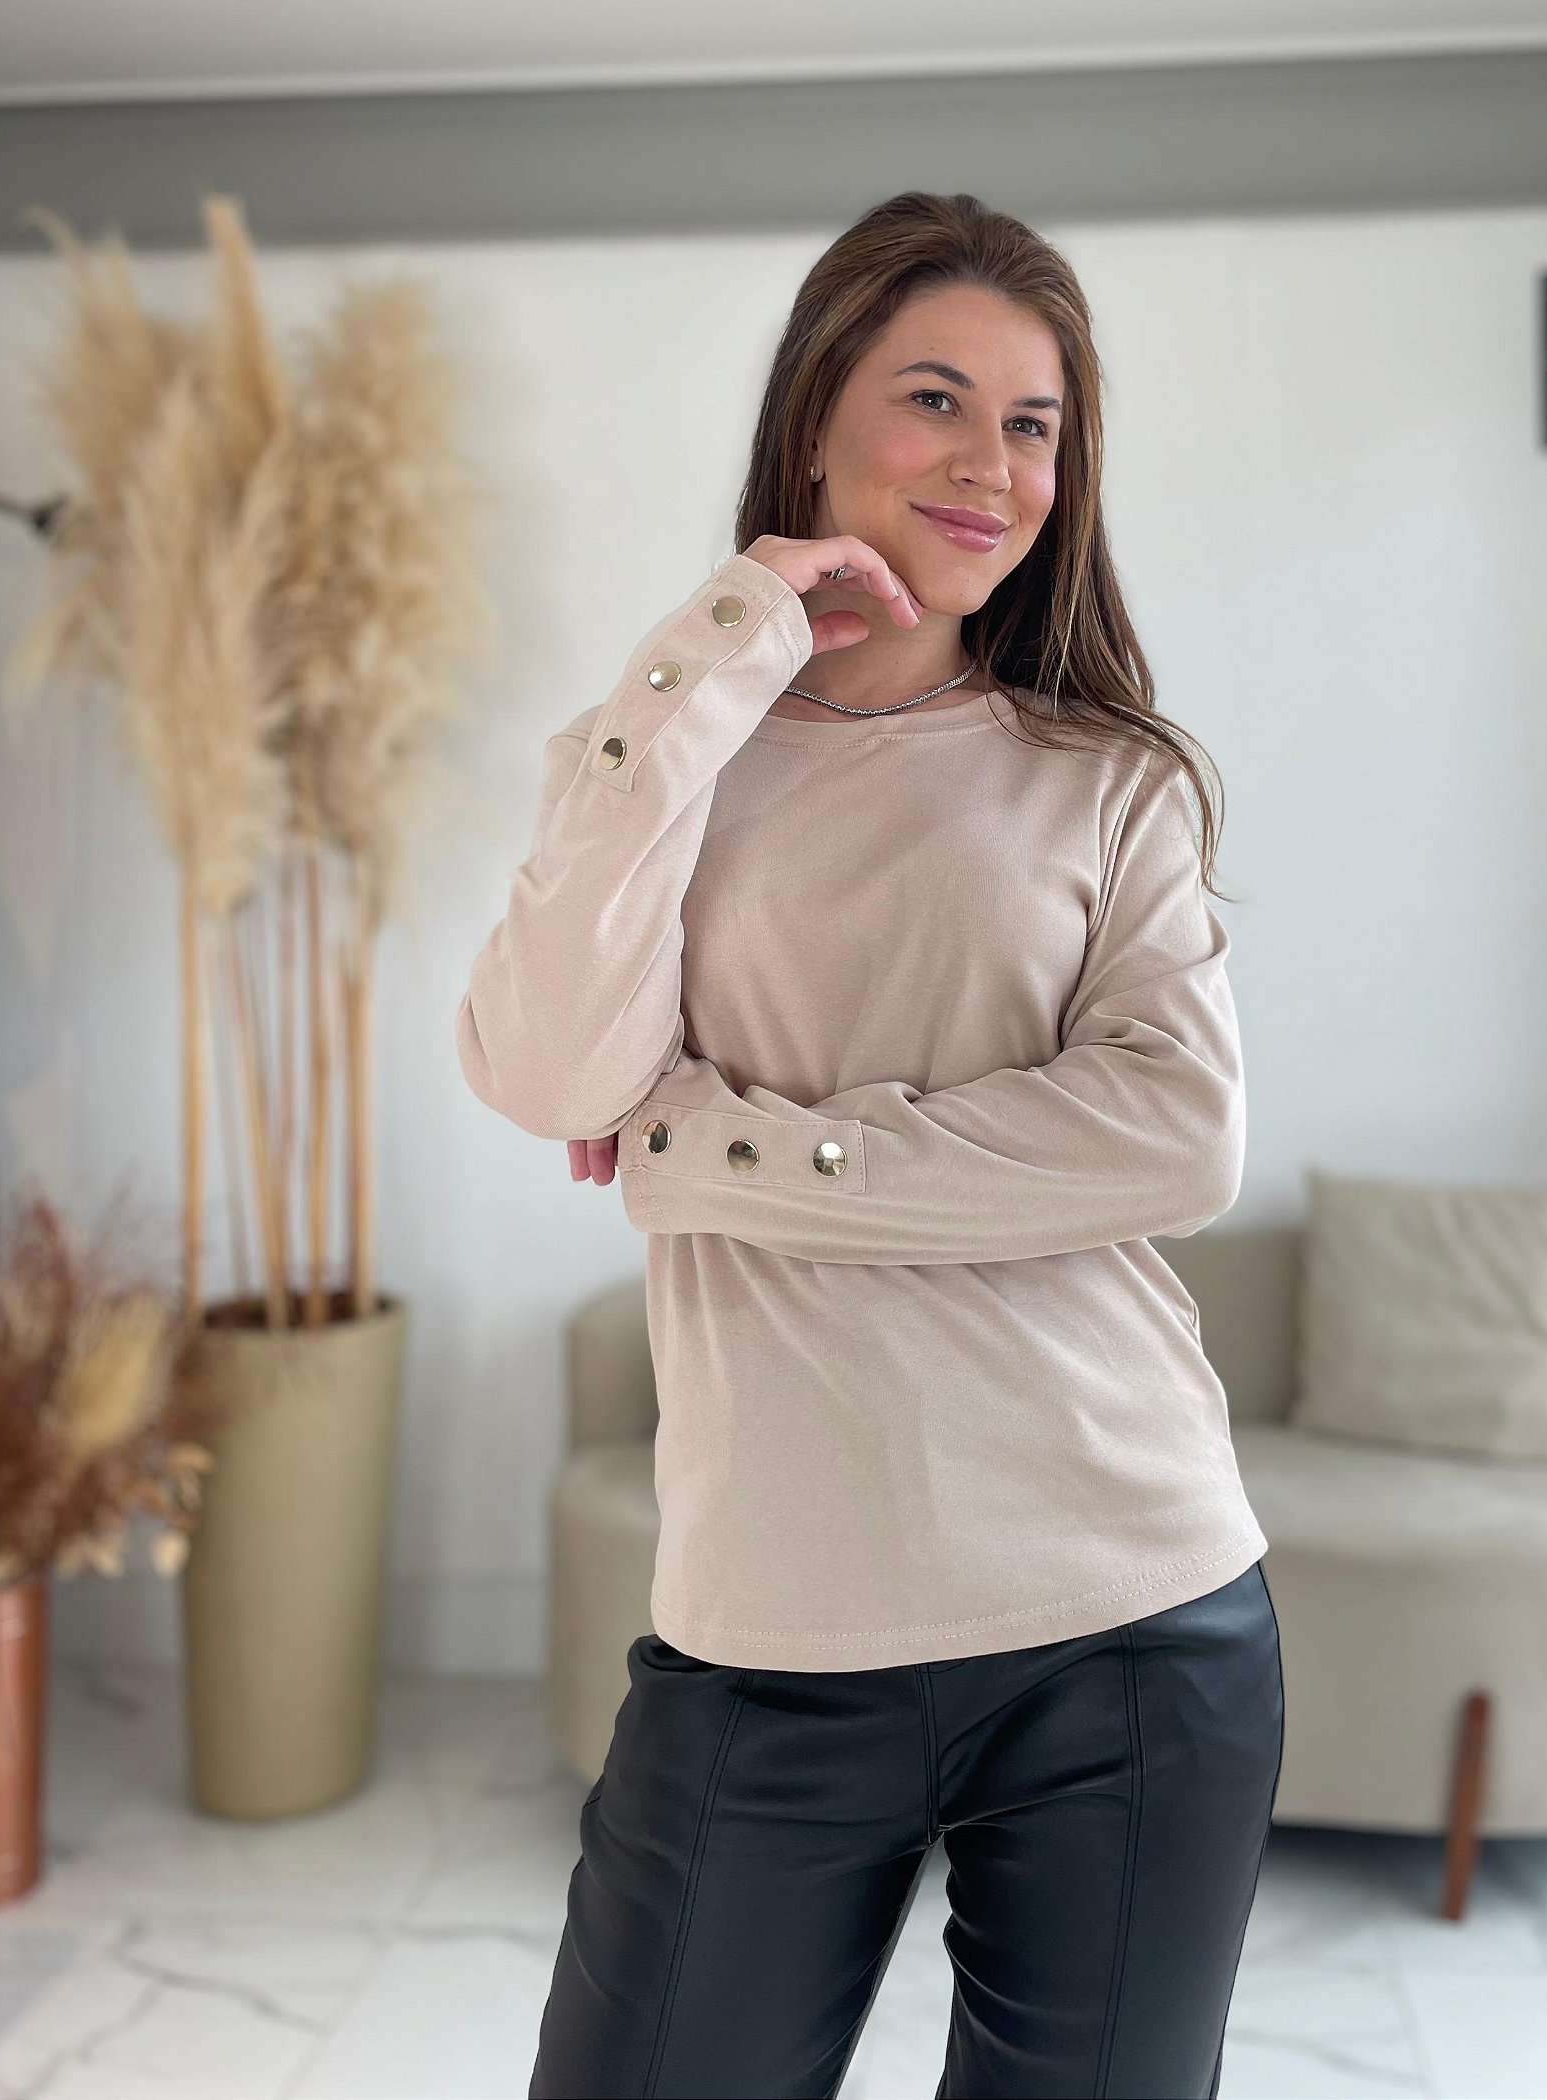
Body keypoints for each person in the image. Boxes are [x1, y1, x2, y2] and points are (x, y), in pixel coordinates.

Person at [457, 191, 1284, 2100]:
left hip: (1128, 1612)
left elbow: (1175, 1137)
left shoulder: (1110, 778)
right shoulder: (659, 758)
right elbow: (553, 1073)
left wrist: (713, 1161)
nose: (992, 464)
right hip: (769, 1629)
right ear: (816, 416)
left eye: (1032, 423)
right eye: (935, 399)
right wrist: (720, 645)